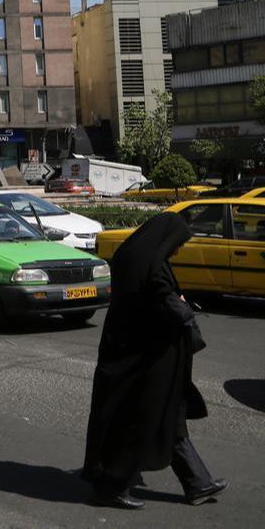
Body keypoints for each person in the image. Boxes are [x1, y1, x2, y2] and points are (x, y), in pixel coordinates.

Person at [82, 213, 227, 509]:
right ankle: (109, 488)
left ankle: (197, 482)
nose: (178, 250)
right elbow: (173, 310)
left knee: (167, 420)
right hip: (142, 362)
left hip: (140, 356)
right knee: (142, 422)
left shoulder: (136, 257)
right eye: (177, 244)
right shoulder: (152, 269)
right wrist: (184, 307)